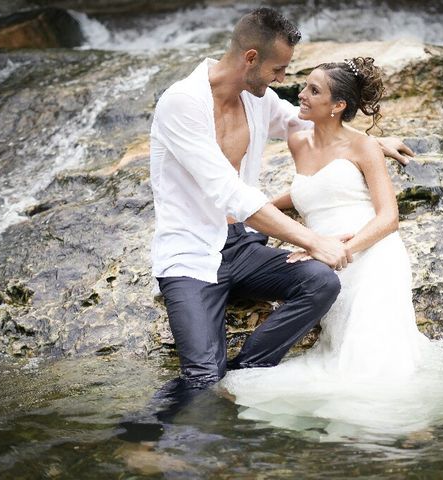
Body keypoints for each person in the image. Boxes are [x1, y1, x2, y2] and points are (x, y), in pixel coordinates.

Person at [150, 8, 413, 390]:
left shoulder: (257, 98)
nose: (283, 80)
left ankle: (248, 373)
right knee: (202, 378)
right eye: (278, 70)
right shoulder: (182, 103)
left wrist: (368, 144)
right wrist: (312, 240)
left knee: (321, 282)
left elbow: (306, 121)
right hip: (190, 256)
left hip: (241, 248)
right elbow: (230, 192)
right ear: (251, 58)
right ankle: (146, 437)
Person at [219, 57, 431, 435]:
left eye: (314, 90)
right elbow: (308, 191)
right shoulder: (299, 141)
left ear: (338, 107)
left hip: (371, 252)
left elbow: (388, 219)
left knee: (370, 362)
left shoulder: (364, 147)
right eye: (305, 85)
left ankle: (397, 427)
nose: (301, 94)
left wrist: (338, 253)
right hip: (324, 254)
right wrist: (259, 209)